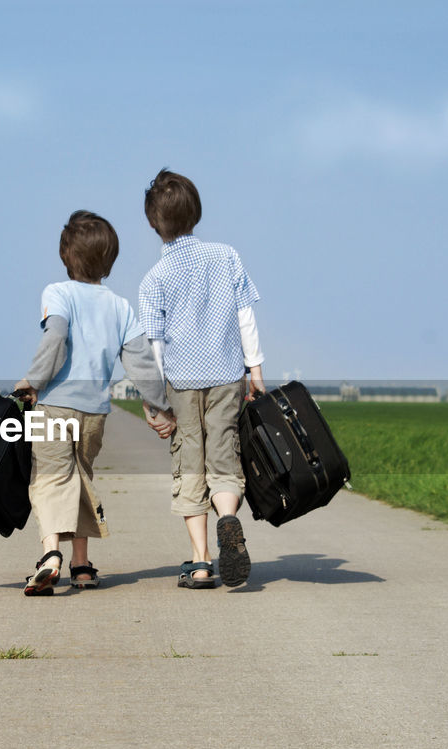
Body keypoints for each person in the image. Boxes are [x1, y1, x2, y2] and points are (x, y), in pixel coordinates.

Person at [15, 210, 175, 596]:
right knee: (81, 478)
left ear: (65, 256)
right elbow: (140, 362)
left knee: (50, 478)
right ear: (110, 259)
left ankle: (51, 555)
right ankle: (82, 566)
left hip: (55, 405)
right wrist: (159, 405)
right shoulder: (120, 306)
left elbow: (55, 338)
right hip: (94, 412)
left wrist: (32, 381)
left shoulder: (58, 292)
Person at [137, 169, 266, 589]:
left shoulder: (154, 280)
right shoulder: (227, 256)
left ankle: (201, 560)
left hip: (181, 381)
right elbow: (245, 315)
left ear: (154, 224)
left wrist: (155, 399)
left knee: (189, 464)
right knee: (224, 456)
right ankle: (229, 518)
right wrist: (256, 368)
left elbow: (154, 345)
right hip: (228, 375)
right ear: (196, 212)